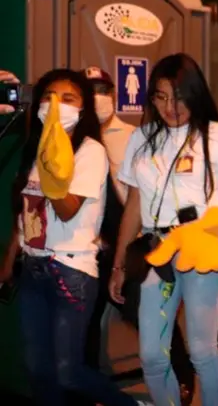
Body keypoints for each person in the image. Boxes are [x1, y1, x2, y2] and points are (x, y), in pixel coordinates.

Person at [1, 70, 149, 406]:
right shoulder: (34, 150)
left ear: (82, 108)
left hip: (71, 272)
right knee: (37, 367)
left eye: (68, 98)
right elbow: (24, 214)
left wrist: (52, 166)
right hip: (33, 269)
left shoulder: (89, 151)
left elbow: (67, 210)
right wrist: (9, 261)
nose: (55, 105)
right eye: (49, 96)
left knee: (69, 370)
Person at [109, 54, 218, 406]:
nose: (171, 107)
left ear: (195, 93)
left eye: (179, 96)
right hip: (157, 249)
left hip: (203, 249)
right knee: (152, 354)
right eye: (161, 96)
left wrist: (212, 231)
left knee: (201, 350)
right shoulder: (142, 137)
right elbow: (134, 206)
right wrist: (120, 264)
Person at [80, 66, 197, 403]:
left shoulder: (135, 136)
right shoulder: (74, 140)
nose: (97, 97)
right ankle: (90, 392)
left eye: (103, 89)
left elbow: (135, 199)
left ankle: (182, 383)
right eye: (90, 90)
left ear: (114, 95)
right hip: (87, 246)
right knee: (87, 324)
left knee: (152, 319)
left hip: (131, 245)